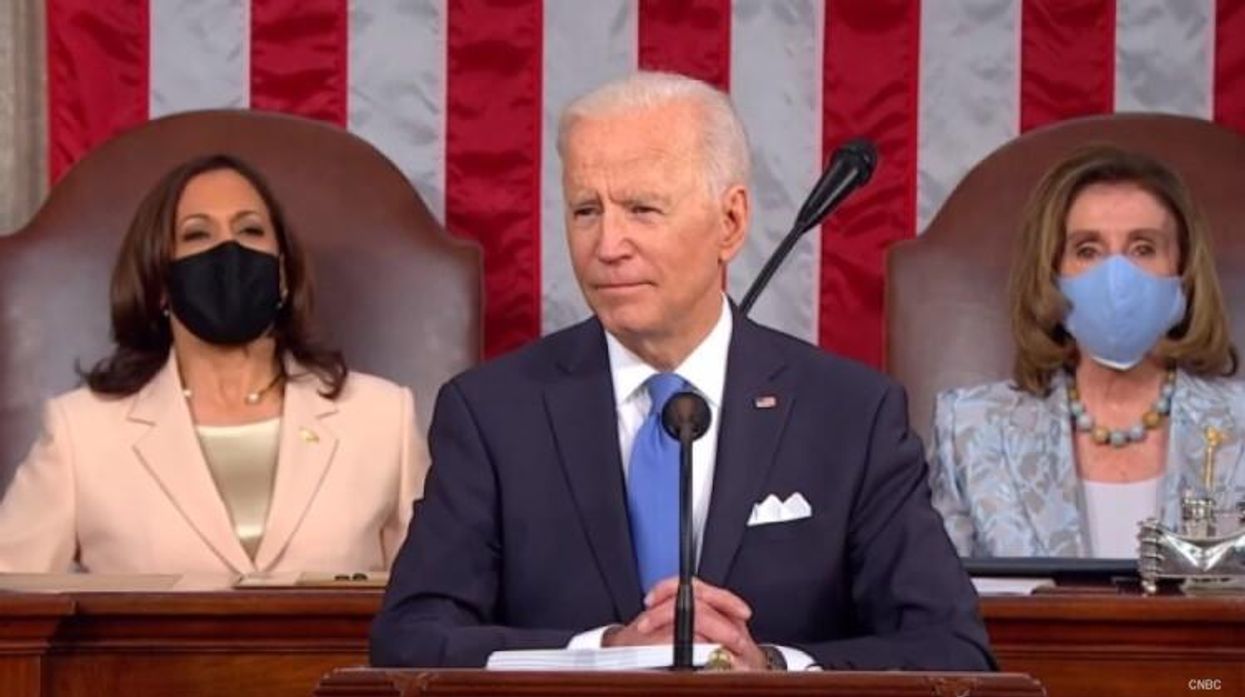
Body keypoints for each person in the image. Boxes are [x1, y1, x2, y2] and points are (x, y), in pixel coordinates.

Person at [371, 72, 993, 671]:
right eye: (586, 211)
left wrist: (773, 669)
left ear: (730, 223)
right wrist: (597, 654)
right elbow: (410, 639)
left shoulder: (850, 415)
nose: (607, 245)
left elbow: (950, 648)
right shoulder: (494, 413)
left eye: (642, 209)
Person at [0, 154, 427, 575]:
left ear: (282, 274)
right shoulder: (81, 433)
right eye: (198, 234)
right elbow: (11, 594)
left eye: (250, 230)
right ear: (160, 282)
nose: (229, 250)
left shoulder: (382, 418)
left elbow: (437, 595)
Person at [929, 145, 1244, 558]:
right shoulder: (970, 431)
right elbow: (937, 593)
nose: (1117, 277)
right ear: (1050, 274)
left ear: (1183, 270)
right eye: (1087, 250)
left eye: (1143, 248)